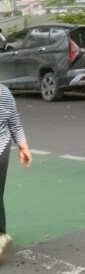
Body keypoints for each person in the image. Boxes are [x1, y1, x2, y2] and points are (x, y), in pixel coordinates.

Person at [0, 84, 32, 262]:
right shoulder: (4, 92)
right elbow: (14, 123)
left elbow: (13, 122)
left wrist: (23, 147)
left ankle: (0, 236)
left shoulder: (3, 94)